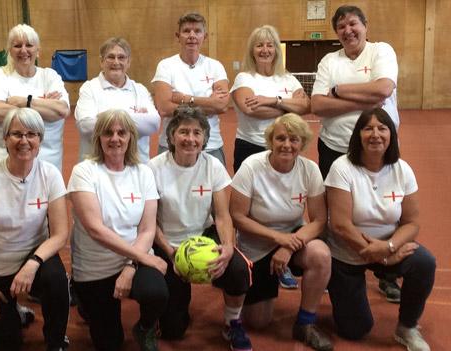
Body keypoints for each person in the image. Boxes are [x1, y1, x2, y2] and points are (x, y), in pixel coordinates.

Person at [310, 4, 401, 304]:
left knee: (383, 208)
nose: (348, 31)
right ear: (336, 33)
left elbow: (383, 89)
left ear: (365, 25)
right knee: (335, 212)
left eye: (353, 24)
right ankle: (337, 267)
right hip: (334, 147)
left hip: (377, 146)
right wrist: (364, 100)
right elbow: (318, 106)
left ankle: (388, 273)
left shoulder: (381, 51)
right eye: (341, 27)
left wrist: (337, 92)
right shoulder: (328, 60)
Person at [325, 108, 436, 351]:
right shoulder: (342, 168)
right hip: (347, 253)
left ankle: (407, 327)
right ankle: (346, 290)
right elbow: (340, 225)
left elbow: (411, 223)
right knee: (354, 330)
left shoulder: (402, 169)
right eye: (368, 128)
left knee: (425, 262)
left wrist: (388, 247)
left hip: (388, 245)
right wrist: (382, 256)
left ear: (391, 135)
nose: (375, 134)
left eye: (382, 128)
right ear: (358, 135)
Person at [0, 108, 70, 351]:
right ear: (5, 139)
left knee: (56, 280)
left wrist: (33, 263)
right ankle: (15, 315)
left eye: (32, 134)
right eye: (17, 134)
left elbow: (60, 233)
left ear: (40, 140)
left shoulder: (50, 174)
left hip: (32, 260)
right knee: (6, 345)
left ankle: (56, 341)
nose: (24, 141)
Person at [148, 105, 252, 350]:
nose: (190, 139)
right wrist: (172, 253)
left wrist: (228, 247)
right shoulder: (153, 168)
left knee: (238, 268)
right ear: (171, 136)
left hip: (204, 236)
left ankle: (232, 322)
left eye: (197, 133)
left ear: (205, 138)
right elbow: (149, 222)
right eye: (184, 132)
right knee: (174, 331)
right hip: (166, 242)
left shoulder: (212, 166)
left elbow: (223, 216)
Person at [230, 114, 333, 351]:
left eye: (294, 139)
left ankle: (305, 323)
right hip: (256, 243)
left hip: (293, 238)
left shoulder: (310, 169)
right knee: (258, 323)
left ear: (302, 143)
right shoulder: (252, 167)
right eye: (281, 138)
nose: (287, 144)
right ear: (271, 140)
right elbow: (237, 217)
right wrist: (278, 239)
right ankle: (263, 283)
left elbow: (318, 220)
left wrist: (288, 246)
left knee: (321, 254)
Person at [68, 109, 169, 351]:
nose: (115, 138)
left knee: (157, 292)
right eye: (108, 133)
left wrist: (131, 266)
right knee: (109, 343)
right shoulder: (84, 171)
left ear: (131, 137)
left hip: (132, 259)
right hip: (94, 268)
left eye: (122, 132)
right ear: (98, 138)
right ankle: (85, 300)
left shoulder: (143, 172)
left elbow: (147, 229)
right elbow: (95, 230)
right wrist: (144, 258)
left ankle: (144, 327)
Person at [230, 24, 311, 291]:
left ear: (277, 50)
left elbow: (305, 105)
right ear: (252, 50)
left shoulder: (288, 79)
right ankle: (249, 258)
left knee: (283, 206)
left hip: (283, 148)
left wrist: (271, 101)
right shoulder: (244, 78)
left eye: (270, 45)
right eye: (259, 45)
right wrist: (286, 106)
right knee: (251, 211)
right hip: (251, 148)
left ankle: (284, 259)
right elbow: (249, 109)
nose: (265, 50)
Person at [0, 24, 70, 169]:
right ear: (10, 51)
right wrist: (44, 106)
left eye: (29, 45)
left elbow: (62, 111)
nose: (23, 50)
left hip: (47, 162)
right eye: (17, 46)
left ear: (38, 51)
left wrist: (23, 102)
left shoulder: (50, 76)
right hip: (2, 162)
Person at [152, 12, 230, 166]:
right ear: (178, 36)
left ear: (205, 36)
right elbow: (164, 108)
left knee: (211, 190)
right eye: (186, 31)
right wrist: (209, 103)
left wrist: (186, 99)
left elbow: (221, 105)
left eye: (197, 31)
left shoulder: (215, 66)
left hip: (211, 144)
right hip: (172, 145)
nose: (192, 36)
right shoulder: (166, 66)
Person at [75, 37, 160, 163]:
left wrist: (104, 117)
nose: (116, 62)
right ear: (102, 61)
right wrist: (135, 118)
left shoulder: (140, 90)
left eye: (121, 57)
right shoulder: (89, 88)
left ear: (129, 62)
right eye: (110, 57)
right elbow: (86, 126)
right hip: (97, 166)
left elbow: (153, 123)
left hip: (135, 166)